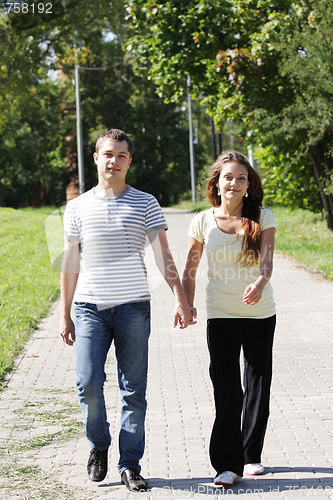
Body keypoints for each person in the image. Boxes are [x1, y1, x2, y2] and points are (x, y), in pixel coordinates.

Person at [59, 128, 195, 492]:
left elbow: (163, 256)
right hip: (90, 309)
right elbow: (70, 262)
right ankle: (99, 445)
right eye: (108, 154)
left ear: (129, 161)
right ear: (96, 158)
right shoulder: (77, 207)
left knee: (133, 390)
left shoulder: (146, 202)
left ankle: (130, 464)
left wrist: (181, 299)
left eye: (121, 155)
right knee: (88, 384)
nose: (114, 160)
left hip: (134, 307)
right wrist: (64, 312)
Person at [182, 150, 276, 487]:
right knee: (226, 388)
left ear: (249, 184)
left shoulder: (262, 216)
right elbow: (189, 271)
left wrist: (261, 281)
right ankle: (226, 464)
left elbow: (266, 260)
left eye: (241, 178)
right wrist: (186, 305)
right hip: (220, 313)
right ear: (217, 183)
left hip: (260, 312)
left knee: (257, 384)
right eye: (228, 177)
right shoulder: (203, 220)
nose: (234, 183)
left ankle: (251, 456)